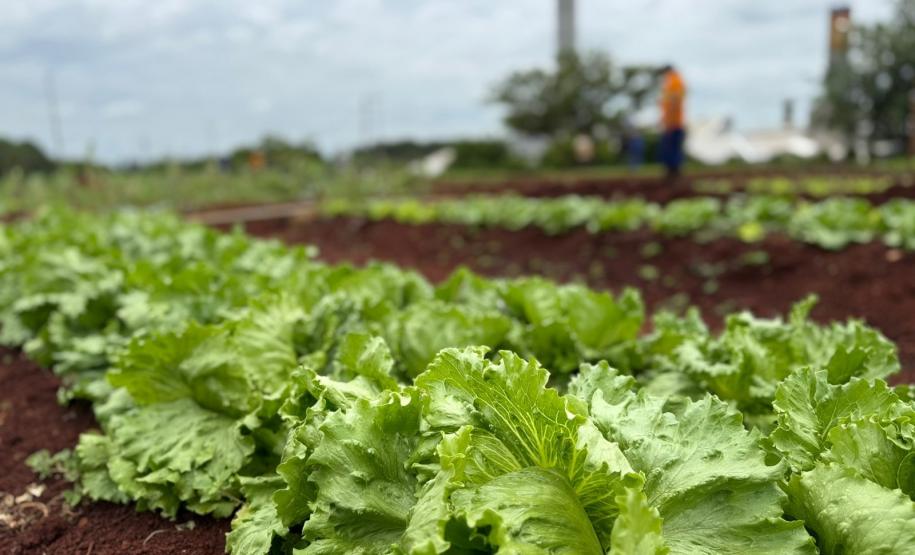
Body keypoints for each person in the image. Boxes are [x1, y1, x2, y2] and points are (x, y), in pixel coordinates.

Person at [658, 64, 687, 178]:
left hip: (674, 123)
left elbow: (675, 101)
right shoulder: (671, 82)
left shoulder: (675, 81)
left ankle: (674, 173)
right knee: (670, 148)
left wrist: (669, 121)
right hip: (672, 122)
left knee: (672, 149)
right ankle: (671, 173)